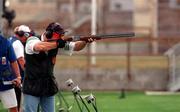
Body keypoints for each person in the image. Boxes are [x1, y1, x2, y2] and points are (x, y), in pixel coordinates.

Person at [22, 22, 95, 112]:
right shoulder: (32, 40)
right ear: (49, 34)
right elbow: (40, 47)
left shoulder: (57, 42)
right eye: (59, 35)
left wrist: (85, 41)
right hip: (31, 86)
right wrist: (57, 44)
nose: (61, 37)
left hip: (48, 86)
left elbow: (76, 46)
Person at [8, 25, 32, 112]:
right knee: (18, 105)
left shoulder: (10, 39)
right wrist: (29, 73)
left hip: (10, 75)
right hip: (16, 77)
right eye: (27, 35)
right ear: (23, 34)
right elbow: (21, 60)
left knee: (12, 105)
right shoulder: (18, 43)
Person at [0, 33, 22, 112]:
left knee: (13, 107)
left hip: (6, 80)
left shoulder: (5, 42)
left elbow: (13, 61)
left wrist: (18, 77)